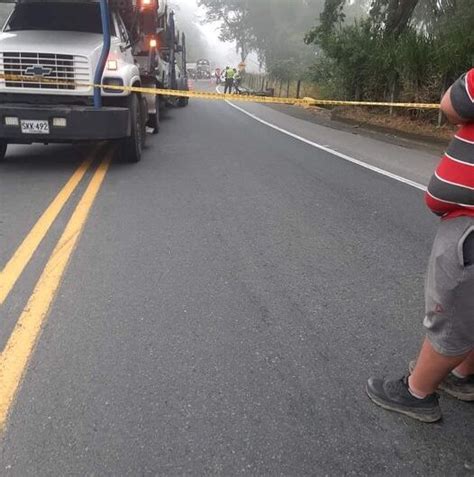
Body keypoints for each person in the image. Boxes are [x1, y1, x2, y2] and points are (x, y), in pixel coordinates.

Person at [367, 68, 474, 423]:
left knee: (451, 310)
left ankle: (417, 393)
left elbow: (454, 104)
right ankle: (462, 376)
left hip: (468, 229)